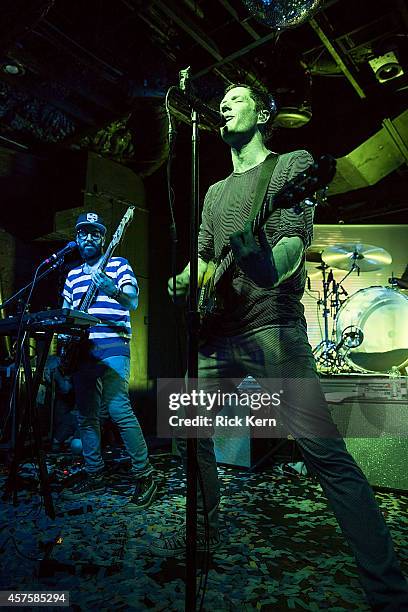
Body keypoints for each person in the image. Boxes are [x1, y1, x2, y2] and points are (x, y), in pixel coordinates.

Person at [154, 84, 408, 610]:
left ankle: (388, 590)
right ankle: (207, 531)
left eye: (238, 98)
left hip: (271, 326)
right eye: (222, 99)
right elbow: (205, 258)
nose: (225, 103)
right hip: (218, 334)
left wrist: (264, 264)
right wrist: (183, 279)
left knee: (324, 454)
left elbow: (290, 246)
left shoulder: (290, 166)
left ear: (264, 113)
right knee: (189, 436)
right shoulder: (215, 191)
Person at [60, 211, 157, 508]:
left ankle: (145, 474)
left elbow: (132, 300)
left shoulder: (118, 265)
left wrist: (111, 288)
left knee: (118, 408)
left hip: (112, 346)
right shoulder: (72, 275)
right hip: (81, 352)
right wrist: (61, 350)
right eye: (83, 233)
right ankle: (94, 472)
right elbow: (64, 314)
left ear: (104, 238)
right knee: (86, 416)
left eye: (95, 233)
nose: (88, 237)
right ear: (76, 238)